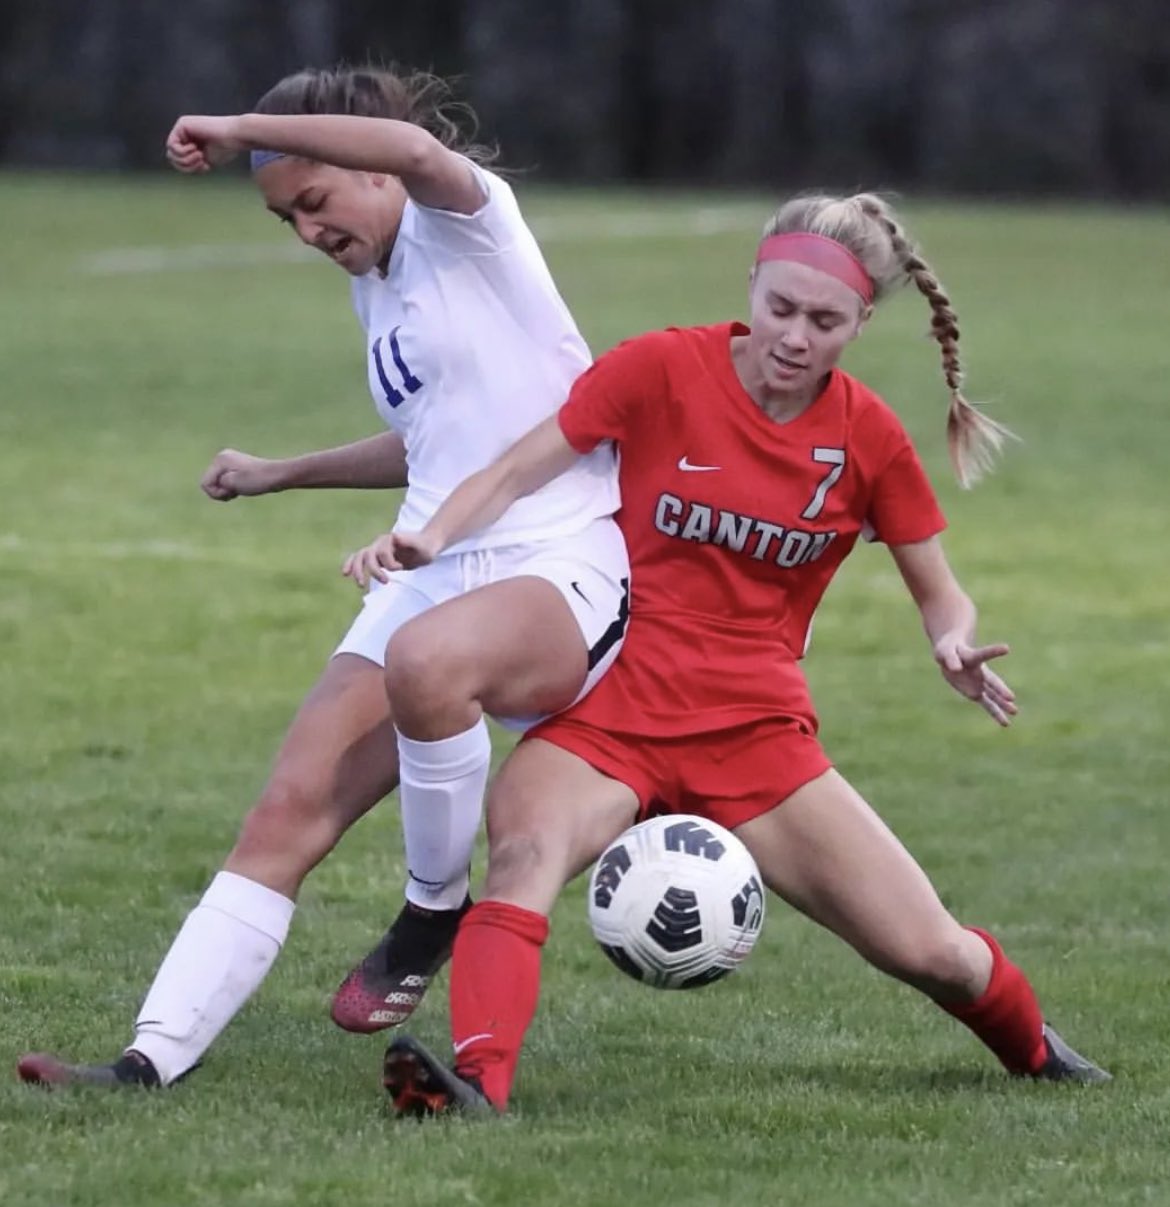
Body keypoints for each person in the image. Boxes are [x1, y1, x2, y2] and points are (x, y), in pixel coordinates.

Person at [340, 191, 1111, 1115]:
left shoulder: (868, 437)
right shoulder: (661, 369)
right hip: (607, 709)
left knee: (930, 950)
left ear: (862, 322)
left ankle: (1035, 1051)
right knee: (524, 856)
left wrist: (951, 640)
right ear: (752, 284)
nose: (794, 335)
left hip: (757, 734)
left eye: (824, 320)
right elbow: (514, 466)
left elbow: (939, 588)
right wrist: (430, 537)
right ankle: (475, 1083)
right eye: (780, 307)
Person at [17, 65, 630, 1090]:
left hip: (562, 555)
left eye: (313, 199)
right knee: (285, 810)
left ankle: (434, 905)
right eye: (282, 216)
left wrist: (233, 122)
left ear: (370, 164)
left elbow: (423, 152)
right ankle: (144, 1061)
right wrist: (283, 473)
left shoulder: (465, 222)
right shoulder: (375, 283)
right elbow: (433, 442)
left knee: (429, 664)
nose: (305, 230)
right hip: (437, 556)